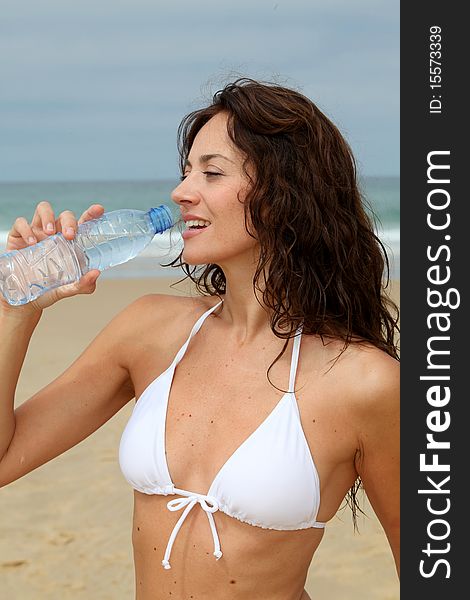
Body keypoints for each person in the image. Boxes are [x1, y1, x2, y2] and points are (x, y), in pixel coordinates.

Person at [0, 78, 399, 600]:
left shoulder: (364, 382)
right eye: (187, 170)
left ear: (286, 194)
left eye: (211, 172)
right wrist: (17, 309)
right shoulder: (150, 331)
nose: (181, 190)